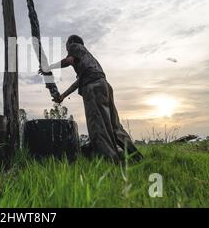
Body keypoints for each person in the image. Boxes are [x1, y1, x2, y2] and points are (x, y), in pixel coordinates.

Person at [40, 35, 143, 163]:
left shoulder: (75, 46)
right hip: (104, 86)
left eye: (66, 45)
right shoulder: (88, 58)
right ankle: (137, 158)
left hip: (93, 87)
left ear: (71, 43)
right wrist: (63, 96)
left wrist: (48, 67)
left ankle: (111, 161)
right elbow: (78, 82)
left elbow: (69, 60)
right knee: (115, 126)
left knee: (98, 127)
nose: (66, 48)